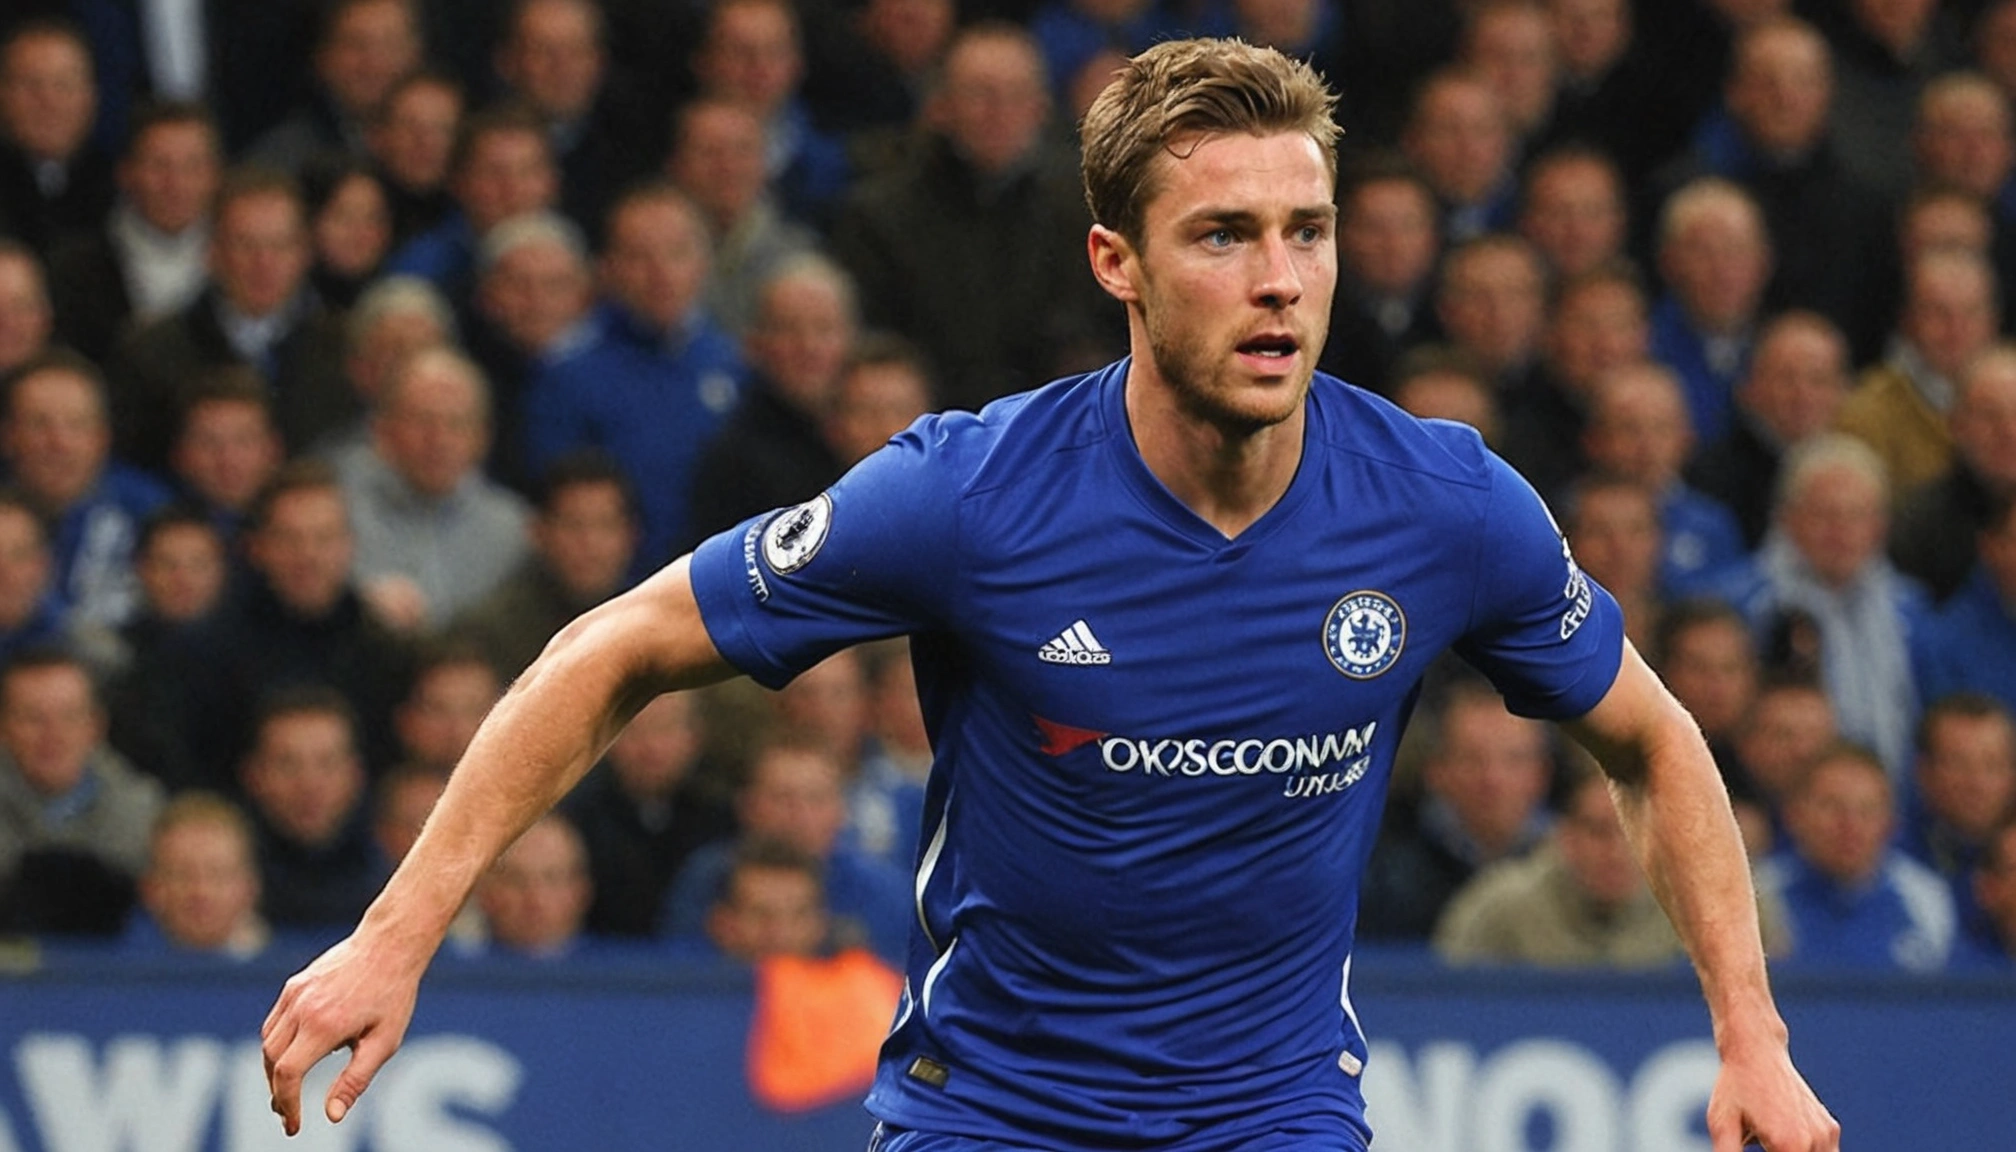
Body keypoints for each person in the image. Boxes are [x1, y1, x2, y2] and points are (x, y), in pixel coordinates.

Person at [260, 40, 1837, 1152]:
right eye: (1223, 236)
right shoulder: (967, 498)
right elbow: (615, 647)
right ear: (1114, 262)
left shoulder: (1443, 505)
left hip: (1276, 1116)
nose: (1279, 279)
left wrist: (1751, 1037)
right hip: (994, 1115)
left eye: (1307, 232)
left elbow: (1654, 739)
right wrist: (395, 939)